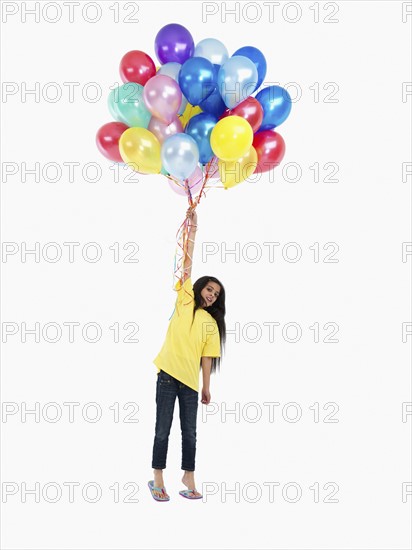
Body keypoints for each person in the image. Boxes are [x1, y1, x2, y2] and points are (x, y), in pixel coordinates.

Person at [148, 206, 226, 501]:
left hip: (191, 384)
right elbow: (187, 264)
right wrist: (193, 229)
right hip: (168, 375)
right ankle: (157, 477)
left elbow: (207, 357)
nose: (211, 294)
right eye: (209, 289)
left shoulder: (211, 323)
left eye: (216, 294)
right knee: (162, 430)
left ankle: (189, 475)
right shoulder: (185, 298)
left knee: (190, 433)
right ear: (199, 288)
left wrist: (207, 386)